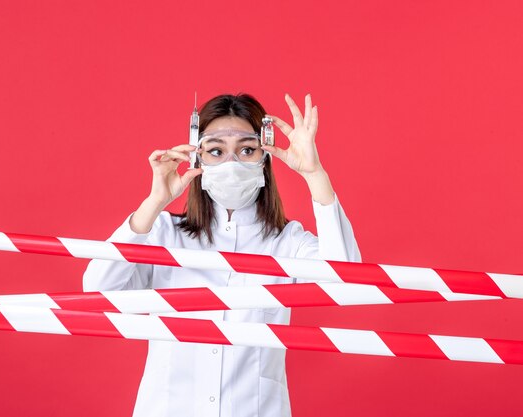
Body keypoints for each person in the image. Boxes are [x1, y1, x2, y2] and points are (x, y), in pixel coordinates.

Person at [83, 93, 361, 417]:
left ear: (265, 158)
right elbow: (99, 291)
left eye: (246, 150)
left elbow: (348, 283)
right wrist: (153, 203)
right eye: (216, 151)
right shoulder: (164, 234)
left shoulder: (287, 243)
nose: (232, 163)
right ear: (197, 158)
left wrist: (315, 175)